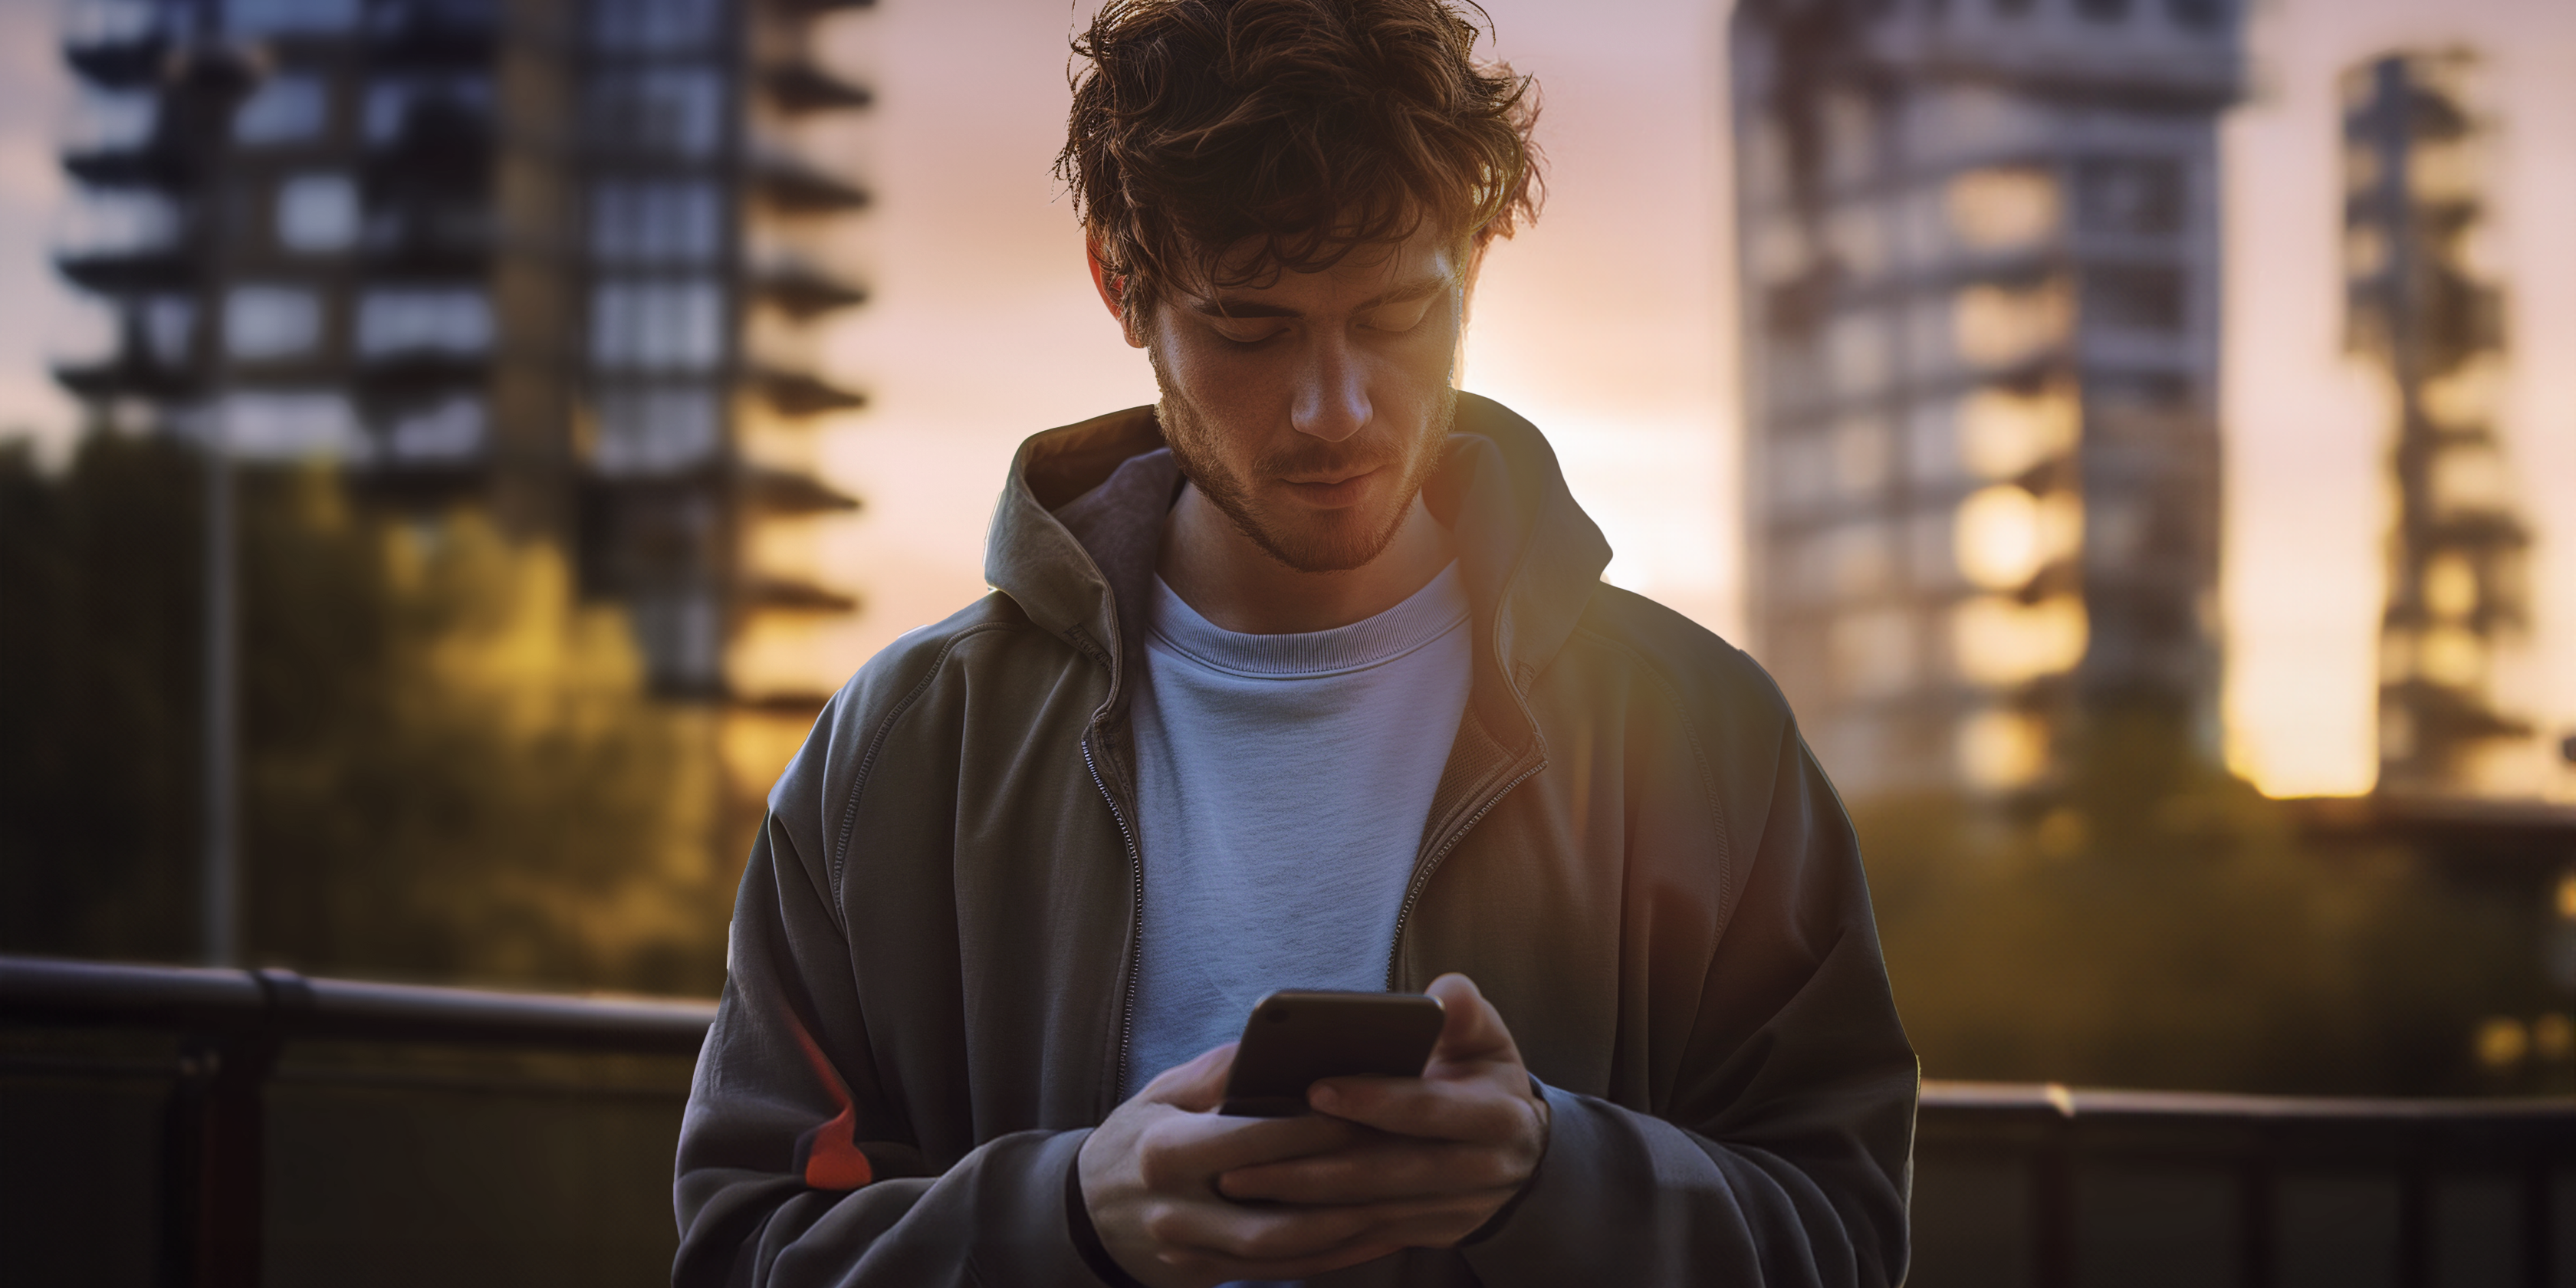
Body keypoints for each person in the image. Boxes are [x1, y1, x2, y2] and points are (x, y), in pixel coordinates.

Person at [672, 1, 1916, 1284]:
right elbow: (746, 1248)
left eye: (1392, 318)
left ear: (1475, 271)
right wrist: (1072, 1218)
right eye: (1250, 329)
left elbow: (1846, 1239)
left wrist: (1553, 1175)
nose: (1336, 410)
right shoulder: (901, 752)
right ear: (1121, 285)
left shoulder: (1704, 738)